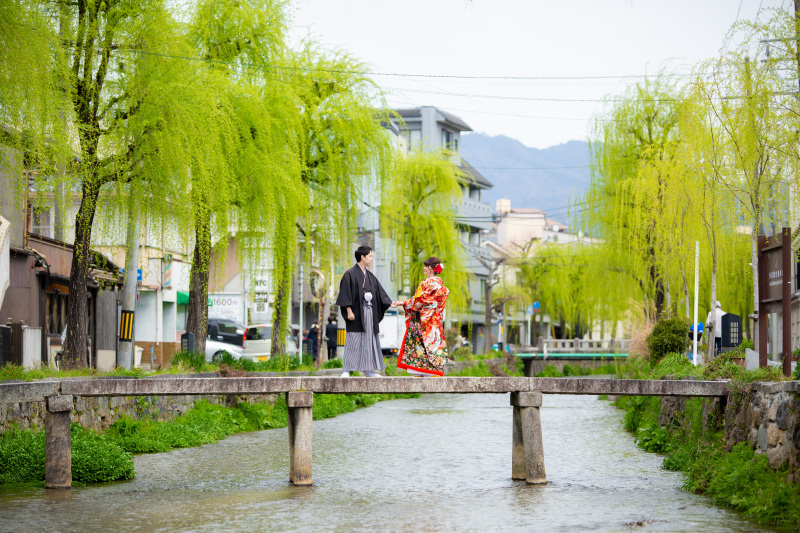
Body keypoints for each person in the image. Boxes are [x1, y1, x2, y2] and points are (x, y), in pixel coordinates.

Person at [335, 245, 396, 377]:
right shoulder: (349, 274)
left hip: (369, 312)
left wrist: (391, 303)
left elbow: (380, 293)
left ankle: (368, 370)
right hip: (356, 312)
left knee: (370, 340)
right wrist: (349, 310)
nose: (372, 259)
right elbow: (345, 293)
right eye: (370, 256)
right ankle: (347, 370)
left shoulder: (370, 276)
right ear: (362, 257)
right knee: (353, 340)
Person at [394, 256, 450, 376]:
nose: (424, 268)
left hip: (431, 321)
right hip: (421, 319)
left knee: (431, 345)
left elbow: (433, 301)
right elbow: (416, 300)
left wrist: (422, 303)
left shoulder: (437, 285)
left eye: (427, 266)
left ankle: (432, 370)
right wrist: (402, 302)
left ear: (433, 268)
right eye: (424, 266)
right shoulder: (425, 283)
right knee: (419, 345)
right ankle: (421, 370)